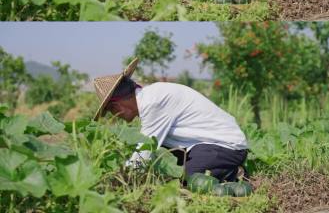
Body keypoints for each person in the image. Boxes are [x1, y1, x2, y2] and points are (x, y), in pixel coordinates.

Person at [92, 58, 248, 182]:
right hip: (202, 145)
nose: (114, 116)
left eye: (111, 111)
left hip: (227, 146)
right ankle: (221, 169)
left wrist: (121, 178)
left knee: (191, 177)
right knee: (168, 168)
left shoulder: (153, 102)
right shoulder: (150, 97)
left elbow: (145, 149)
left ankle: (235, 172)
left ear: (118, 106)